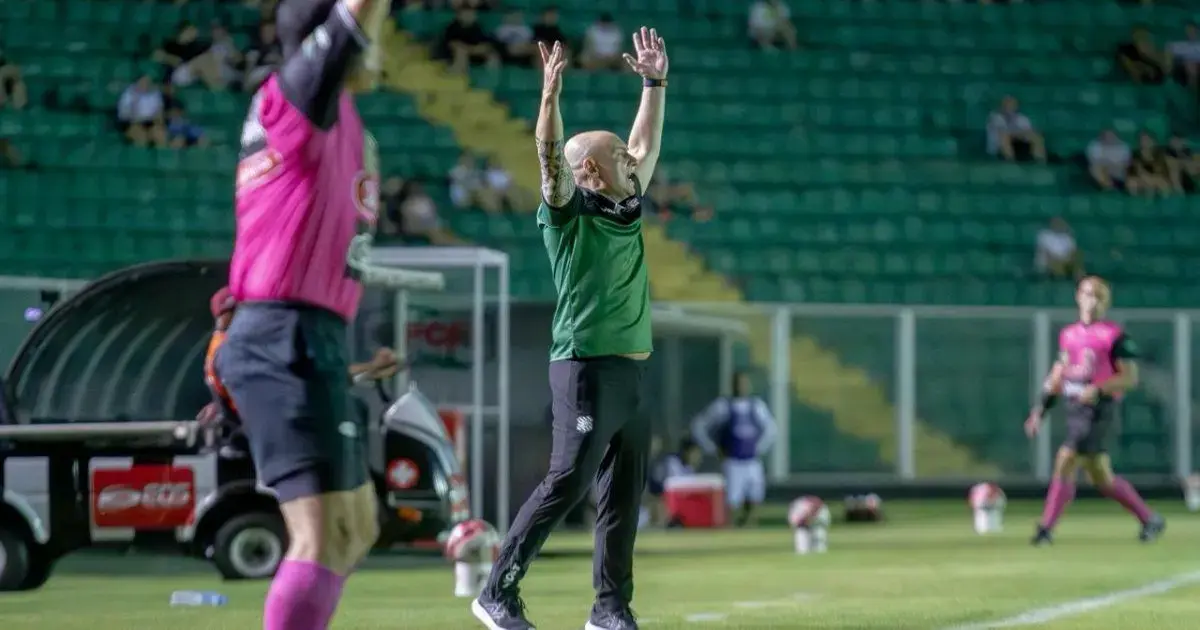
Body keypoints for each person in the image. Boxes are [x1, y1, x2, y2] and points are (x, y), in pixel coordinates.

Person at [212, 2, 433, 629]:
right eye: (372, 36)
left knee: (356, 527)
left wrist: (348, 354)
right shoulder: (298, 95)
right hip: (281, 333)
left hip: (311, 335)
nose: (379, 47)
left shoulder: (343, 121)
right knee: (321, 533)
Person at [472, 29, 668, 630]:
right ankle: (496, 591)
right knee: (568, 479)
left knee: (621, 497)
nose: (634, 163)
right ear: (593, 169)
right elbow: (550, 159)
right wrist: (549, 100)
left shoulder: (626, 203)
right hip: (584, 366)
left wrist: (654, 85)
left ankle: (610, 611)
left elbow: (644, 140)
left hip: (631, 367)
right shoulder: (567, 210)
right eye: (622, 160)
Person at [1024, 276, 1165, 547]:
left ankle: (1045, 529)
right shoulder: (1069, 335)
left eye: (1099, 296)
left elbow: (1130, 378)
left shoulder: (1115, 336)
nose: (1092, 301)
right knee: (1101, 476)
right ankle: (1149, 519)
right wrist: (1040, 410)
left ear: (1106, 302)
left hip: (1099, 409)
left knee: (1065, 458)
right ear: (1078, 297)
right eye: (1088, 294)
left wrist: (1099, 389)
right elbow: (1059, 373)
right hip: (1075, 407)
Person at [690, 371, 777, 528]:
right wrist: (713, 449)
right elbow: (699, 426)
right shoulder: (723, 406)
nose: (742, 386)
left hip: (752, 461)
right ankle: (731, 530)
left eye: (744, 383)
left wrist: (759, 448)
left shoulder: (756, 406)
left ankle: (749, 529)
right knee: (732, 502)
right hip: (732, 462)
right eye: (738, 383)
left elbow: (771, 429)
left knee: (754, 499)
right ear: (732, 385)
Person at [645, 437, 703, 527]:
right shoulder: (672, 462)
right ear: (686, 452)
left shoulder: (689, 468)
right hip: (658, 499)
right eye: (695, 453)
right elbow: (663, 488)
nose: (698, 457)